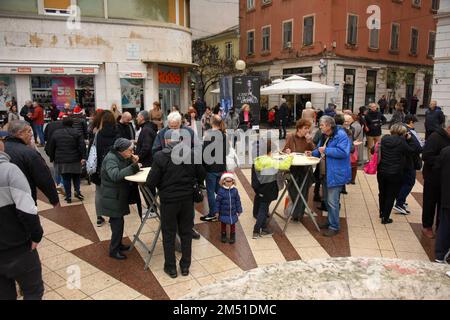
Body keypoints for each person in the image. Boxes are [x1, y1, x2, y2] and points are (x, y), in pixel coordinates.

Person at [146, 129, 206, 277]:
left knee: (169, 233)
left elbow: (150, 182)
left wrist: (163, 184)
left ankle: (171, 267)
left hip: (169, 201)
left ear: (166, 141)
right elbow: (201, 175)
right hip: (187, 200)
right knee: (186, 233)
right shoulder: (191, 154)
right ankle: (185, 266)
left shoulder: (160, 156)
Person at [0, 140, 44, 300]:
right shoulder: (9, 170)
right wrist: (36, 234)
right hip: (17, 246)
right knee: (33, 291)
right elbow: (27, 209)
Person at [308, 116, 351, 237]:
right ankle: (330, 222)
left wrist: (326, 150)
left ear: (328, 125)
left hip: (335, 174)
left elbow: (343, 152)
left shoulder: (341, 135)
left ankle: (334, 226)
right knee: (327, 200)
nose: (320, 127)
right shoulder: (326, 135)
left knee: (333, 202)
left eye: (321, 125)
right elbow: (320, 149)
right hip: (326, 173)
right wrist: (312, 153)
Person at [100, 138, 140, 260]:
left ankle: (118, 244)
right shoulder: (111, 159)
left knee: (119, 222)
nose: (132, 151)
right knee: (117, 223)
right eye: (130, 150)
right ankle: (113, 250)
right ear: (121, 150)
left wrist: (133, 162)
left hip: (117, 194)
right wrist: (133, 166)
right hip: (112, 196)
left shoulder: (120, 156)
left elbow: (124, 170)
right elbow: (116, 175)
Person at [4, 120, 59, 207]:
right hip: (25, 202)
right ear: (20, 133)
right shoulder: (29, 153)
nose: (31, 134)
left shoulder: (2, 149)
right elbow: (44, 178)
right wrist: (54, 199)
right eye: (29, 131)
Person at [252, 139, 293, 238]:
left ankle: (262, 226)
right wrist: (289, 157)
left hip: (261, 187)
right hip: (269, 188)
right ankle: (257, 230)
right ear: (270, 152)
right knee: (263, 209)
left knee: (263, 207)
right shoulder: (271, 161)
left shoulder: (258, 160)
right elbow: (285, 165)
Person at [376, 124, 416, 224]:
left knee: (382, 192)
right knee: (391, 195)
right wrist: (410, 140)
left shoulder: (384, 138)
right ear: (402, 133)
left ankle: (381, 212)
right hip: (395, 173)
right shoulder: (402, 142)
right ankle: (385, 218)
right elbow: (412, 151)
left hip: (382, 171)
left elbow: (373, 150)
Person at [47, 117, 87, 204]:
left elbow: (52, 147)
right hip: (75, 158)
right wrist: (83, 157)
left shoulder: (56, 133)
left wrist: (52, 158)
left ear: (63, 124)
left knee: (66, 178)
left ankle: (68, 196)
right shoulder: (77, 132)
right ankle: (77, 191)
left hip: (62, 160)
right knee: (76, 176)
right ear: (72, 123)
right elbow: (82, 146)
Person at [421, 121, 450, 238]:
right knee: (430, 202)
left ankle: (440, 227)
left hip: (446, 179)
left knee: (443, 203)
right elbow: (426, 156)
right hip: (433, 177)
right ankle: (427, 226)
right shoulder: (435, 137)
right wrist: (443, 159)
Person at [282, 119, 315, 221]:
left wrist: (310, 142)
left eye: (308, 129)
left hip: (305, 167)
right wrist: (286, 151)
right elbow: (284, 150)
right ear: (299, 128)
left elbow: (314, 151)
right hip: (293, 168)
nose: (307, 131)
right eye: (305, 128)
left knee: (304, 191)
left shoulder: (307, 139)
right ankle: (295, 212)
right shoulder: (291, 137)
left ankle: (298, 214)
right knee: (294, 191)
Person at [91, 111, 119, 227]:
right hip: (114, 167)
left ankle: (99, 217)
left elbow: (93, 150)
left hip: (100, 168)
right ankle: (114, 216)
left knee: (99, 192)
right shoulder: (117, 132)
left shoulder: (98, 134)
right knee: (116, 191)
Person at [393, 115, 423, 215]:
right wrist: (411, 139)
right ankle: (399, 203)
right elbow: (418, 148)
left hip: (400, 163)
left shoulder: (398, 131)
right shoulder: (408, 132)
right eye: (414, 122)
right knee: (409, 182)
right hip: (409, 163)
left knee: (402, 182)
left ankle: (400, 200)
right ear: (410, 122)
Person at [200, 115, 227, 222]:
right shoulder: (223, 134)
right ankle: (223, 209)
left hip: (211, 168)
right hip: (221, 167)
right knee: (219, 190)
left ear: (211, 122)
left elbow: (204, 153)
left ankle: (212, 214)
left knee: (210, 192)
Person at [215, 172, 243, 244]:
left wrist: (239, 210)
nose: (228, 183)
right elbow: (217, 202)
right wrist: (217, 211)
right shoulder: (221, 191)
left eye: (230, 181)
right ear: (223, 181)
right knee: (223, 224)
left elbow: (237, 201)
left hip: (232, 212)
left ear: (233, 181)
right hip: (223, 212)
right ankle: (223, 235)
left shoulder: (235, 191)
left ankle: (232, 235)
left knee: (232, 224)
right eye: (227, 181)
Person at [434, 145, 450, 263]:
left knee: (445, 225)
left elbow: (437, 170)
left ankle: (440, 254)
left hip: (446, 195)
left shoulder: (445, 151)